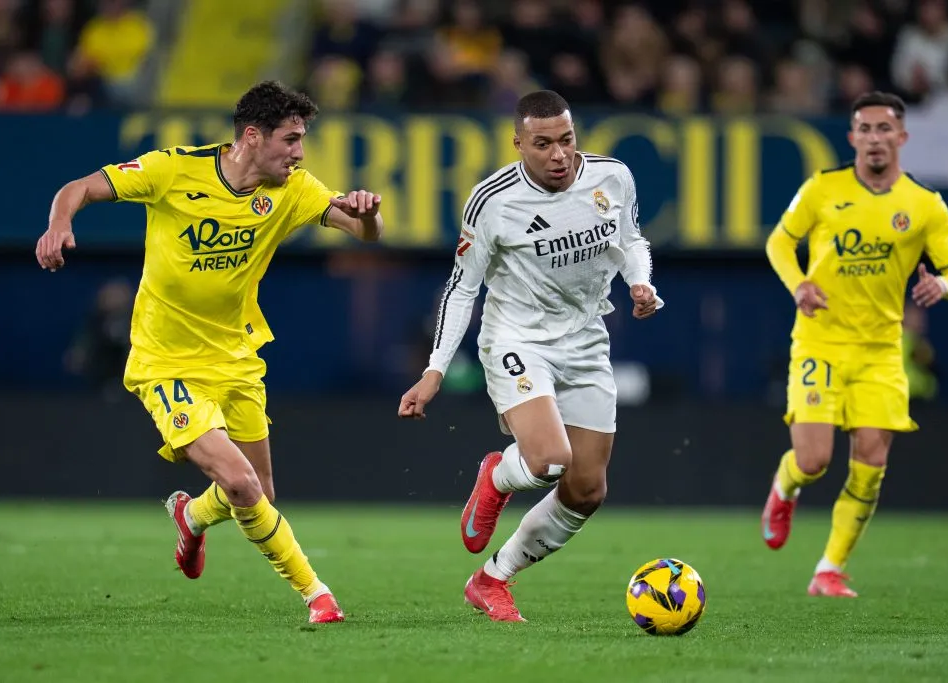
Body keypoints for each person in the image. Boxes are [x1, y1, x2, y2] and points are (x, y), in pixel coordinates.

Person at [35, 80, 384, 623]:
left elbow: (368, 235)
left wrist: (365, 213)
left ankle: (192, 518)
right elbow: (77, 187)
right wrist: (60, 225)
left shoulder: (292, 189)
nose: (299, 152)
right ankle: (318, 595)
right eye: (291, 139)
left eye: (302, 140)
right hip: (165, 361)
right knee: (243, 484)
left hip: (236, 357)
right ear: (251, 136)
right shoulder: (173, 170)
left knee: (259, 490)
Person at [397, 90, 663, 622]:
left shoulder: (613, 176)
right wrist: (435, 370)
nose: (559, 155)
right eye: (543, 145)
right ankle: (496, 476)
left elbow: (631, 239)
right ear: (518, 143)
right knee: (548, 461)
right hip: (518, 337)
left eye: (566, 140)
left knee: (586, 489)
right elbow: (461, 289)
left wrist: (640, 282)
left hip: (587, 338)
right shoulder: (492, 201)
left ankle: (492, 579)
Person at [761, 91, 948, 597]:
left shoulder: (923, 205)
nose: (874, 138)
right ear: (852, 136)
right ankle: (783, 488)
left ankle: (829, 569)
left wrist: (942, 285)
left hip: (881, 351)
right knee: (812, 461)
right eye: (865, 129)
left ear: (902, 138)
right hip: (820, 342)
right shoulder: (822, 189)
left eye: (884, 129)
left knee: (872, 464)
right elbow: (779, 242)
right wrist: (799, 286)